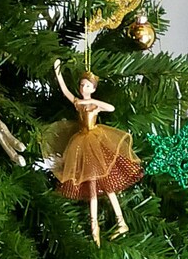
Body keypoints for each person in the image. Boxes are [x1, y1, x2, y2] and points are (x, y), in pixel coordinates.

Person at [50, 60, 140, 243]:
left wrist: (92, 100)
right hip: (81, 142)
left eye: (88, 86)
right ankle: (95, 227)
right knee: (92, 186)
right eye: (82, 85)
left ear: (93, 88)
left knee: (108, 185)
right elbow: (65, 91)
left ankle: (120, 222)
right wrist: (58, 72)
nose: (84, 88)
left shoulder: (92, 104)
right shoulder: (77, 103)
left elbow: (111, 108)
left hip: (95, 141)